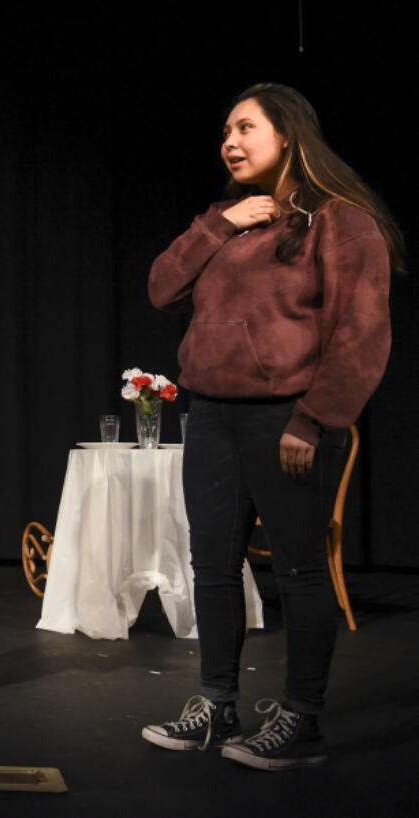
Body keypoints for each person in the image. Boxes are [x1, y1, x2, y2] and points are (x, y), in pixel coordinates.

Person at [142, 83, 402, 770]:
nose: (230, 140)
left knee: (298, 571)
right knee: (213, 568)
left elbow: (362, 333)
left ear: (287, 135)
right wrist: (219, 227)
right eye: (225, 129)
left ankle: (302, 720)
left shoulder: (338, 221)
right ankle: (215, 705)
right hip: (213, 416)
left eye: (246, 127)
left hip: (290, 420)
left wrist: (314, 420)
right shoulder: (224, 216)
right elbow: (162, 288)